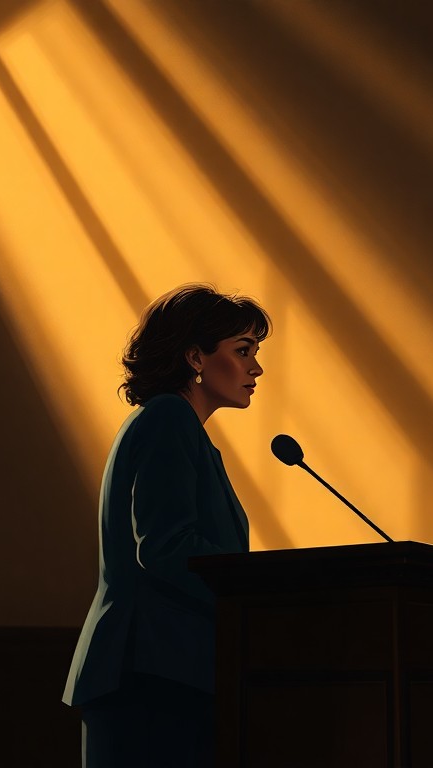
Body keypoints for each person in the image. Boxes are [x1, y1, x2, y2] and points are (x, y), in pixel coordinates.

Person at [63, 284, 269, 767]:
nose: (256, 368)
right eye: (242, 351)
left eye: (255, 353)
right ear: (195, 356)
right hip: (152, 671)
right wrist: (257, 598)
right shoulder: (168, 419)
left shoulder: (173, 425)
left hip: (165, 671)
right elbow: (166, 546)